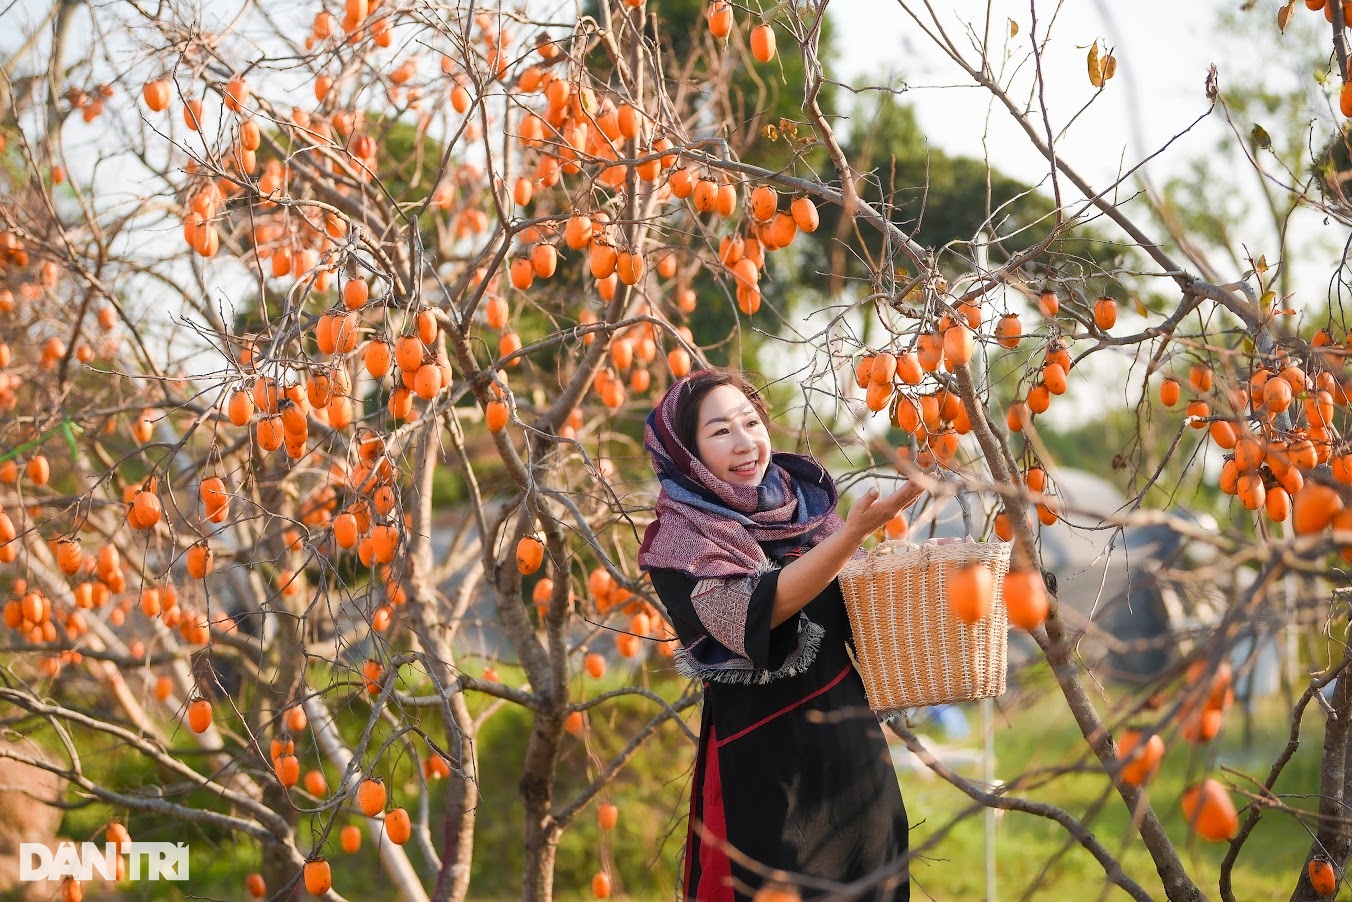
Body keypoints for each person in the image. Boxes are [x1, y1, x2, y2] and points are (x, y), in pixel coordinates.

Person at [638, 368, 921, 901]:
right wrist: (855, 533)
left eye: (751, 422)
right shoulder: (679, 542)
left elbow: (865, 606)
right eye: (721, 431)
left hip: (854, 763)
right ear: (686, 453)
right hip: (769, 779)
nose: (745, 443)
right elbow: (757, 609)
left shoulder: (808, 514)